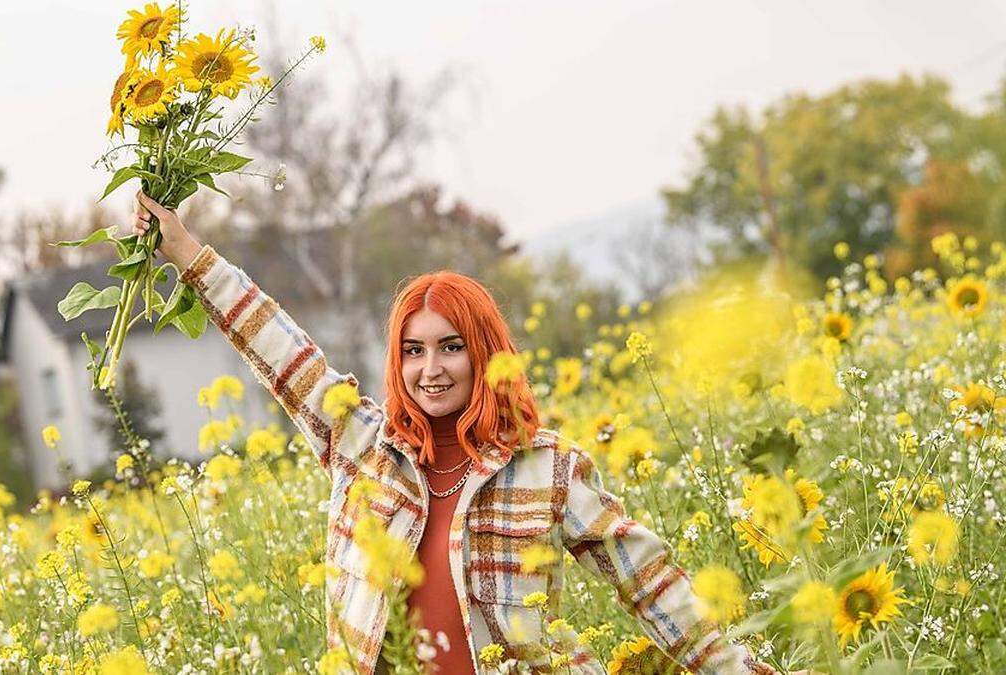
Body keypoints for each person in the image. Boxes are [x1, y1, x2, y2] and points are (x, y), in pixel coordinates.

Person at [133, 191, 778, 674]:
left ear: (483, 352)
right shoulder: (362, 447)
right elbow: (280, 350)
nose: (430, 369)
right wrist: (187, 251)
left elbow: (652, 585)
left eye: (451, 348)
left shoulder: (546, 468)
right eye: (413, 350)